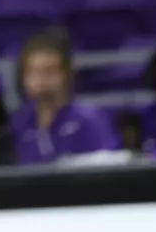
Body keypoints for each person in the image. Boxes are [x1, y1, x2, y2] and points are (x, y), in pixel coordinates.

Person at [9, 28, 120, 165]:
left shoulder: (88, 119)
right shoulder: (19, 123)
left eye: (49, 71)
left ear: (67, 73)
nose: (40, 80)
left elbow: (110, 166)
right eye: (32, 72)